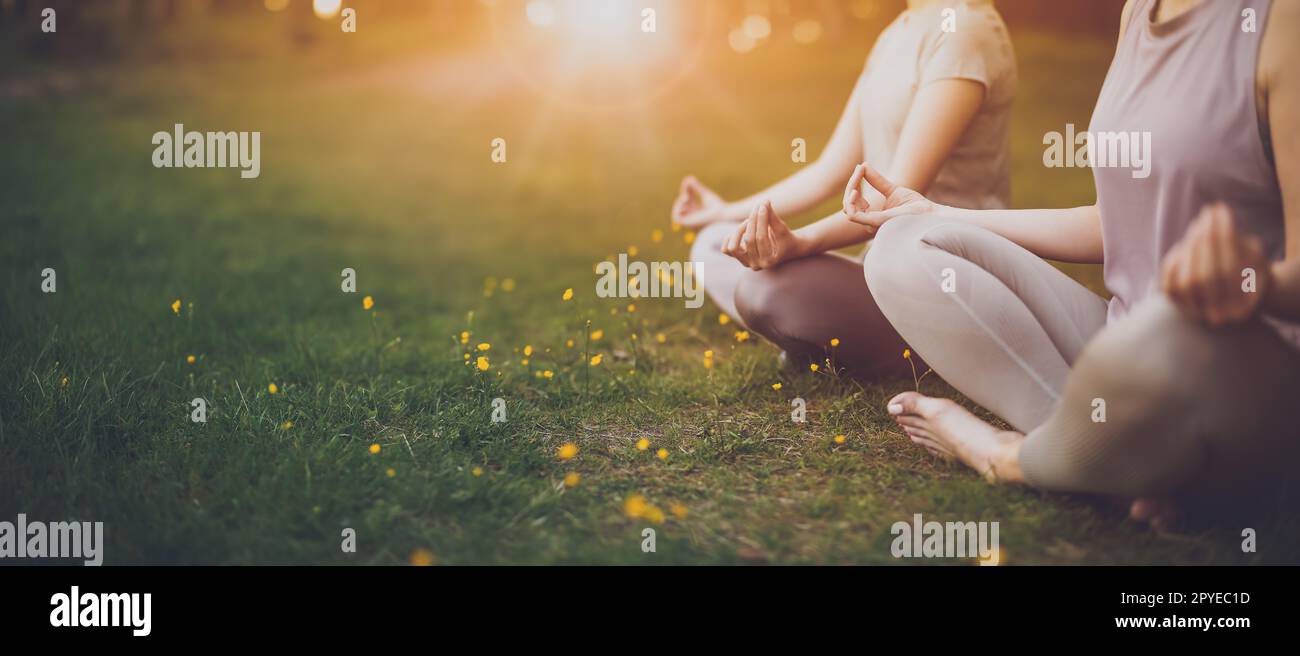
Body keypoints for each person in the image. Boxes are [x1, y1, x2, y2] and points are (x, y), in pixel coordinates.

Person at [858, 0, 1300, 528]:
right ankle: (1115, 461)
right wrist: (938, 214)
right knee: (903, 246)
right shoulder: (1138, 11)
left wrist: (1250, 284)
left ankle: (1003, 455)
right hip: (1123, 346)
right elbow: (1108, 221)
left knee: (1169, 329)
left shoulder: (1282, 23)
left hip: (1240, 364)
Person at [672, 0, 1016, 375]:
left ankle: (906, 353)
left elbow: (895, 198)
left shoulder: (965, 31)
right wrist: (726, 212)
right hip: (882, 266)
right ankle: (824, 338)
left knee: (767, 290)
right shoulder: (898, 31)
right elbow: (827, 171)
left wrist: (801, 243)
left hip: (942, 283)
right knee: (714, 242)